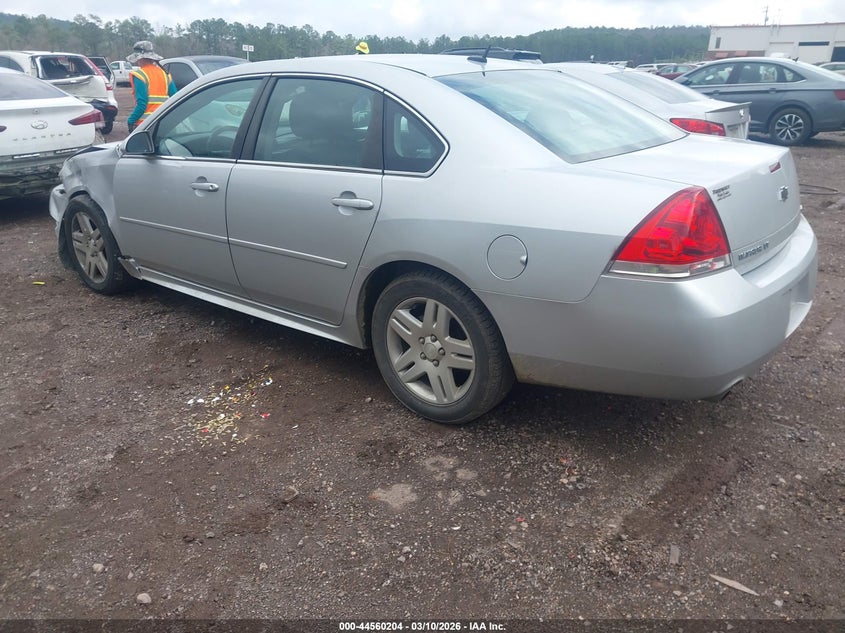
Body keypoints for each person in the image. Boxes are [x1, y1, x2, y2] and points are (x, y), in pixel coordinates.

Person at [125, 41, 177, 133]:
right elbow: (175, 98)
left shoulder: (140, 75)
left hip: (145, 125)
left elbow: (141, 104)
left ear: (140, 58)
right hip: (163, 121)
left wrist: (131, 120)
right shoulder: (165, 74)